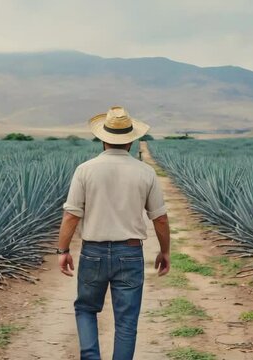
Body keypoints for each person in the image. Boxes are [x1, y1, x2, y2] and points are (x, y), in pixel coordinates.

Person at [57, 106, 171, 360]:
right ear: (131, 139)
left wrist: (62, 250)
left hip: (93, 253)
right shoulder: (145, 172)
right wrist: (165, 251)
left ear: (103, 138)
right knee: (126, 322)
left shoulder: (85, 170)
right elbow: (160, 218)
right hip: (130, 253)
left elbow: (71, 214)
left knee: (86, 309)